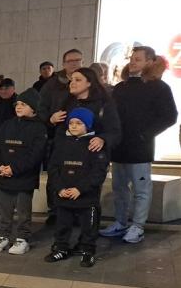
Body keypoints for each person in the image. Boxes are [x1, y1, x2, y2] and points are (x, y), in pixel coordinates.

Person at [101, 47, 178, 243]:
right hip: (119, 148)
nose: (133, 62)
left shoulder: (159, 88)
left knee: (141, 189)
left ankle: (138, 226)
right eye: (131, 59)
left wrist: (145, 134)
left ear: (150, 61)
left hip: (140, 149)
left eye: (138, 59)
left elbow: (169, 116)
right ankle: (120, 222)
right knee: (119, 188)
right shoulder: (120, 87)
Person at [44, 108, 109, 268]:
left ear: (88, 126)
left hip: (87, 197)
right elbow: (53, 168)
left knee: (89, 227)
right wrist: (59, 188)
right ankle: (61, 248)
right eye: (71, 123)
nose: (73, 126)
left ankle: (88, 251)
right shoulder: (61, 143)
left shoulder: (95, 145)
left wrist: (80, 189)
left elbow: (98, 172)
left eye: (79, 123)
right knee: (62, 224)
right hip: (64, 194)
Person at [0, 88, 47, 255]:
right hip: (4, 175)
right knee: (5, 209)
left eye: (24, 104)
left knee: (23, 210)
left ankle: (22, 238)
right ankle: (4, 235)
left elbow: (35, 155)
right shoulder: (7, 124)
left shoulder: (39, 128)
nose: (19, 107)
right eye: (17, 104)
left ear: (34, 108)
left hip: (24, 178)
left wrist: (13, 169)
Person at [39, 48, 84, 225]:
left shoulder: (87, 81)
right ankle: (56, 210)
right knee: (56, 173)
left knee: (80, 172)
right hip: (59, 136)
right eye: (70, 60)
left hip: (83, 137)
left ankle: (78, 210)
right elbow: (41, 107)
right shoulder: (52, 84)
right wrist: (50, 118)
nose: (74, 63)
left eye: (77, 60)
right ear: (64, 63)